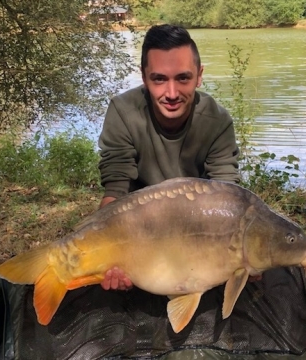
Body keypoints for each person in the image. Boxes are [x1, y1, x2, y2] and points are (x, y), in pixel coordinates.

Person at [97, 24, 240, 291]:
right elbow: (116, 190)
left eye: (183, 78)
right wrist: (106, 251)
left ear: (199, 75)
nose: (172, 93)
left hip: (197, 233)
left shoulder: (217, 122)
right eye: (159, 79)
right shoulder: (123, 112)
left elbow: (228, 195)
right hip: (138, 231)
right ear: (144, 77)